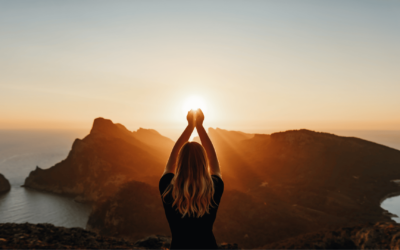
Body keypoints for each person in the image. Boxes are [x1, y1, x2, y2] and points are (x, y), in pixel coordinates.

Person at [159, 108, 224, 249]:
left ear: (179, 162)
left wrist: (189, 127)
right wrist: (199, 126)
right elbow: (214, 163)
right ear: (203, 162)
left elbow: (171, 161)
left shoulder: (167, 188)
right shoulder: (214, 189)